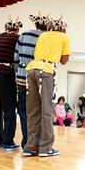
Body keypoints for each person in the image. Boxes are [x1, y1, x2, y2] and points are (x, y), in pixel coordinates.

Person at [24, 17, 71, 157]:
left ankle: (31, 146)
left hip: (31, 70)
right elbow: (64, 60)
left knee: (33, 110)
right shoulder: (64, 37)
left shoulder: (43, 35)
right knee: (47, 110)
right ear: (63, 28)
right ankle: (46, 148)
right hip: (46, 72)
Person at [0, 18, 22, 150]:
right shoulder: (17, 38)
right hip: (5, 74)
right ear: (17, 29)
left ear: (6, 28)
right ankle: (8, 142)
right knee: (9, 109)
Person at [14, 14, 50, 149]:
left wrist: (19, 73)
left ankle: (27, 143)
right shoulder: (46, 37)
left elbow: (16, 58)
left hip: (23, 79)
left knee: (25, 112)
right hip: (40, 78)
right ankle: (39, 142)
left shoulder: (23, 35)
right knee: (42, 112)